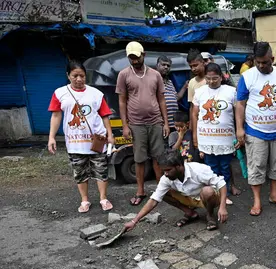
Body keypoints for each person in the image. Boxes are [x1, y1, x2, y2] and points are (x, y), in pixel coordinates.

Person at [235, 41, 276, 216]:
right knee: (257, 165)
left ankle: (274, 195)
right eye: (258, 62)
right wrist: (239, 129)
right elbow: (240, 104)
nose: (262, 66)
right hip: (255, 130)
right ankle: (257, 201)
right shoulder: (247, 77)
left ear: (272, 59)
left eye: (265, 62)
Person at [47, 60, 115, 213]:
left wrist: (110, 135)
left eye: (82, 76)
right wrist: (51, 137)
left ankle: (103, 198)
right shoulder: (60, 93)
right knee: (80, 172)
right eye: (75, 76)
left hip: (97, 140)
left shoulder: (96, 94)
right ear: (68, 76)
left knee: (101, 170)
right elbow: (56, 116)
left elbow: (105, 115)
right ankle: (85, 200)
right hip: (74, 142)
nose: (79, 79)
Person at [116, 41, 170, 206]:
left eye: (137, 57)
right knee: (139, 159)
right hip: (136, 124)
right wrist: (125, 126)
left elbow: (162, 99)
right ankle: (140, 191)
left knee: (158, 157)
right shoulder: (124, 75)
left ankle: (161, 191)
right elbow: (122, 101)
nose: (134, 60)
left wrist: (166, 123)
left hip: (155, 122)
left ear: (143, 55)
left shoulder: (155, 74)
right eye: (131, 58)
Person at [123, 149, 228, 231]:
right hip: (189, 198)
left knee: (207, 191)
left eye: (168, 170)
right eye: (164, 171)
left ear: (179, 166)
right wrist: (134, 221)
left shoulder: (199, 170)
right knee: (162, 193)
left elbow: (222, 184)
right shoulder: (166, 178)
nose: (166, 174)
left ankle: (209, 215)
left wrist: (222, 207)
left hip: (208, 198)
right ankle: (190, 213)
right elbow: (154, 200)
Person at [191, 62, 238, 205]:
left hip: (225, 138)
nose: (211, 81)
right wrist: (195, 135)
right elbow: (194, 114)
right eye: (209, 78)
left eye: (215, 78)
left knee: (225, 167)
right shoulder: (200, 92)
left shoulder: (231, 91)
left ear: (222, 77)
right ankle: (215, 194)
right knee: (211, 169)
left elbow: (238, 113)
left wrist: (239, 132)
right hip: (206, 138)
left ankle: (225, 194)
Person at [157, 55, 187, 132]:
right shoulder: (154, 81)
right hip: (162, 124)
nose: (166, 67)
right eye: (163, 65)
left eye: (168, 66)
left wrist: (185, 86)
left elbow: (176, 98)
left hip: (174, 123)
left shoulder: (170, 82)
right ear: (157, 66)